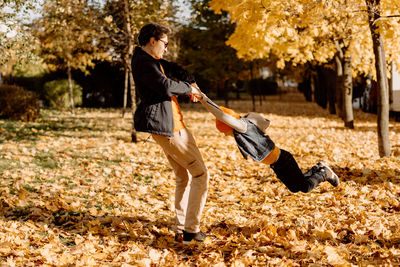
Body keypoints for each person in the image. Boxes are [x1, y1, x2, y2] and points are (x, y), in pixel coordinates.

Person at [131, 23, 213, 244]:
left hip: (168, 126)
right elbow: (166, 86)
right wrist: (189, 90)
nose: (166, 48)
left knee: (183, 176)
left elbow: (174, 69)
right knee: (200, 174)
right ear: (152, 41)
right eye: (164, 44)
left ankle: (181, 229)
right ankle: (191, 231)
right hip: (170, 129)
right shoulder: (143, 63)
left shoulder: (152, 61)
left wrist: (191, 80)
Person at [193, 90, 340, 193]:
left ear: (228, 126)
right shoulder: (242, 127)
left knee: (305, 187)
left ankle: (325, 173)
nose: (225, 136)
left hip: (283, 160)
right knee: (297, 187)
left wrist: (202, 98)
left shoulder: (242, 126)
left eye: (225, 132)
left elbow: (221, 114)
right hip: (277, 164)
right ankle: (317, 169)